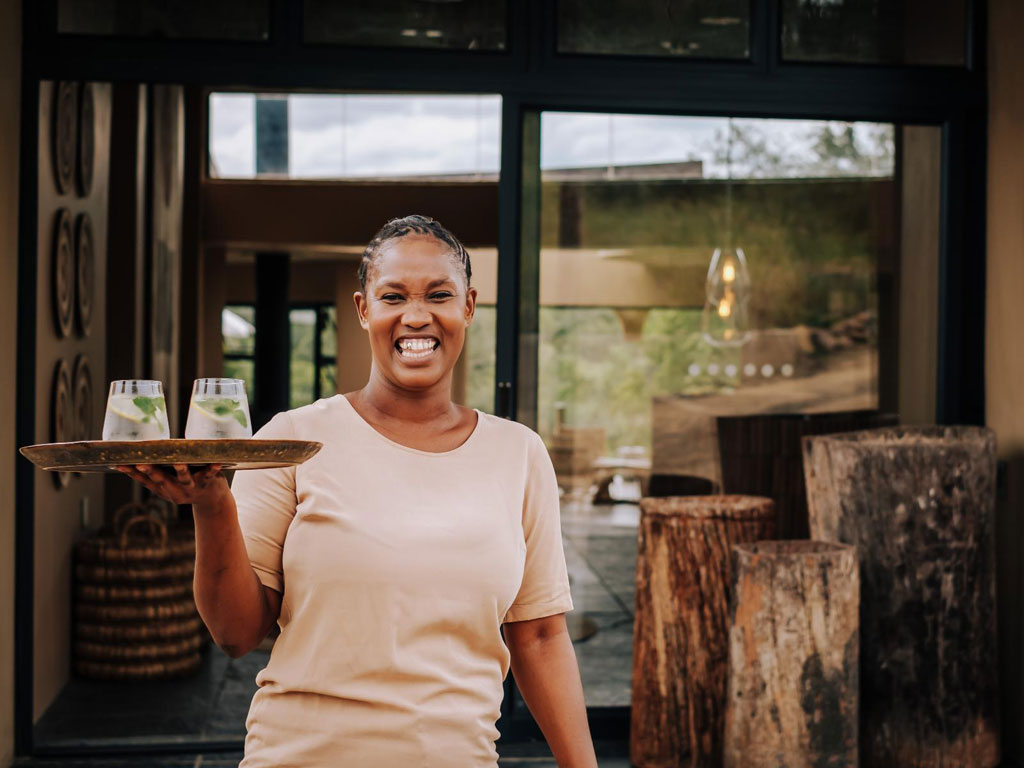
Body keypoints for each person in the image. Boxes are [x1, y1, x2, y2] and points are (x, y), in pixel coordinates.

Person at [117, 215, 598, 767]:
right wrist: (211, 503)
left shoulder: (518, 454)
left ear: (468, 306)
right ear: (363, 308)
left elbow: (540, 637)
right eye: (393, 296)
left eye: (438, 295)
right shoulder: (291, 440)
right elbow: (235, 632)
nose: (415, 316)